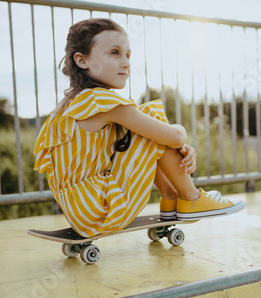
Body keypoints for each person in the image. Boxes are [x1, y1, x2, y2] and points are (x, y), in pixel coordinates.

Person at [34, 18, 244, 237]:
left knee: (144, 127)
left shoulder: (73, 102)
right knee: (151, 114)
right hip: (103, 209)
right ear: (82, 60)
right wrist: (180, 136)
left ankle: (171, 196)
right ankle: (191, 198)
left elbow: (133, 143)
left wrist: (174, 143)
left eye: (127, 55)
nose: (126, 63)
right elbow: (173, 137)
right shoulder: (101, 101)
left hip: (82, 210)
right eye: (114, 53)